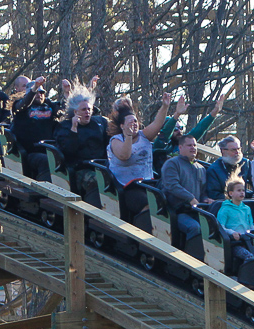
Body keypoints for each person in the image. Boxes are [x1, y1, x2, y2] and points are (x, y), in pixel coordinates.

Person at [106, 93, 171, 227]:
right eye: (130, 122)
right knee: (149, 204)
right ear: (122, 126)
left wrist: (165, 106)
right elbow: (125, 155)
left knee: (168, 199)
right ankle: (143, 230)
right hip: (128, 187)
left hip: (148, 183)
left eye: (135, 121)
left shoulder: (144, 135)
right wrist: (128, 136)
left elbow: (158, 123)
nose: (133, 124)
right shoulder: (116, 140)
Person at [55, 83, 110, 205]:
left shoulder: (99, 123)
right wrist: (74, 129)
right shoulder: (65, 127)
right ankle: (92, 213)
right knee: (97, 181)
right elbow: (68, 151)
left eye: (89, 109)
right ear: (75, 111)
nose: (87, 112)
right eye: (84, 110)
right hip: (80, 168)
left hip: (101, 166)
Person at [160, 134, 208, 253]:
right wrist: (190, 198)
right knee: (194, 228)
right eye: (189, 145)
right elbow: (172, 185)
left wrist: (206, 199)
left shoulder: (200, 168)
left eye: (195, 145)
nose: (193, 148)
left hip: (196, 211)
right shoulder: (172, 164)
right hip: (177, 211)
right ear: (180, 147)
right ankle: (189, 258)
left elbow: (202, 192)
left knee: (213, 228)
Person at [10, 76, 64, 180]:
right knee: (46, 161)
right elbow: (24, 103)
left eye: (42, 92)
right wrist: (34, 88)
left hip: (51, 150)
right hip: (30, 152)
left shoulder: (49, 104)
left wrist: (67, 93)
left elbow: (64, 112)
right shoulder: (19, 106)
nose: (40, 95)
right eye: (37, 92)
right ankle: (45, 191)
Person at [153, 93, 226, 160]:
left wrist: (215, 111)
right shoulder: (160, 144)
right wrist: (177, 114)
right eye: (175, 129)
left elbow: (200, 129)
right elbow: (166, 132)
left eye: (180, 128)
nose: (179, 131)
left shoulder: (183, 142)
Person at [215, 177, 254, 266]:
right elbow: (220, 226)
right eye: (238, 190)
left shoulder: (247, 208)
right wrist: (232, 233)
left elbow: (251, 225)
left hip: (248, 241)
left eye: (243, 190)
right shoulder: (225, 209)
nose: (242, 192)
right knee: (250, 257)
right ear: (231, 193)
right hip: (235, 243)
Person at [204, 135, 253, 202]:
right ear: (223, 151)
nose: (237, 152)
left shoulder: (246, 163)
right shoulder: (214, 170)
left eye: (239, 149)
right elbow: (214, 195)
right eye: (233, 150)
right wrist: (235, 197)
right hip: (225, 206)